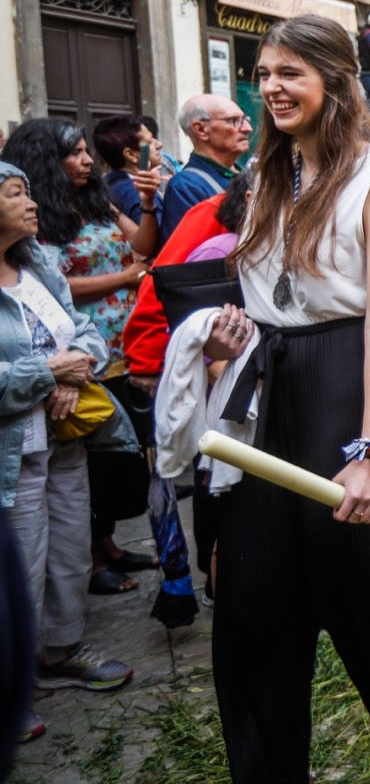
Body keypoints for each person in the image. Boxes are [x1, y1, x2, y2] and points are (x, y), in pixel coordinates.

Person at [205, 14, 370, 782]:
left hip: (342, 380)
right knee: (248, 590)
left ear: (334, 81)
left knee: (358, 579)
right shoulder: (263, 175)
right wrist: (226, 337)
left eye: (291, 72)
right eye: (265, 72)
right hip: (263, 383)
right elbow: (264, 291)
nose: (272, 87)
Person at [0, 160, 136, 745]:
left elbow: (86, 331)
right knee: (20, 566)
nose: (32, 203)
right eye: (14, 193)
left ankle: (60, 651)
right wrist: (44, 372)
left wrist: (72, 372)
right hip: (14, 447)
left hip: (65, 434)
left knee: (68, 550)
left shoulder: (39, 266)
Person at [2, 119, 162, 594]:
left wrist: (149, 204)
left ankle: (107, 545)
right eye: (72, 153)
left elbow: (142, 247)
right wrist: (125, 278)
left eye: (85, 151)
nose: (86, 160)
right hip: (64, 353)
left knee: (111, 461)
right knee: (83, 465)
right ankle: (90, 563)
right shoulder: (36, 223)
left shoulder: (98, 201)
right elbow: (58, 285)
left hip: (107, 350)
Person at [162, 95, 253, 240]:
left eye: (245, 120)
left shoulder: (251, 174)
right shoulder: (186, 187)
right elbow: (196, 254)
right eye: (234, 121)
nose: (248, 128)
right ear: (201, 129)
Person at [93, 114, 165, 232]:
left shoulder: (108, 184)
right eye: (149, 142)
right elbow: (157, 242)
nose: (158, 145)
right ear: (131, 155)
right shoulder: (137, 193)